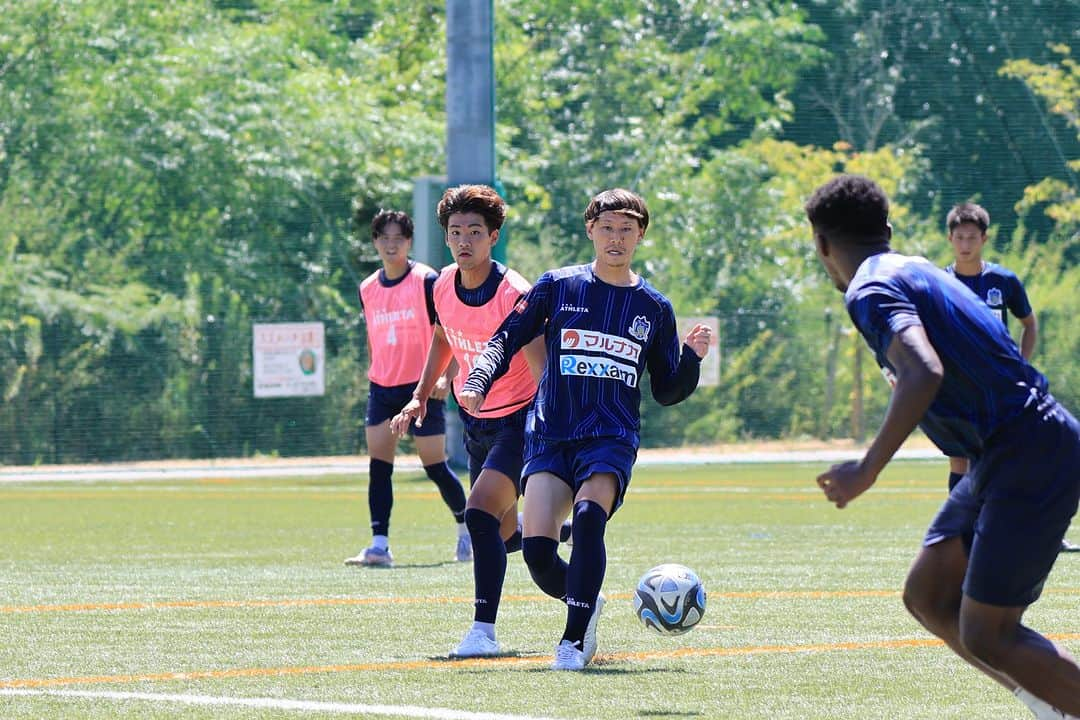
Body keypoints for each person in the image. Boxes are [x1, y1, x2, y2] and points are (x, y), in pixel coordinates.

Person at [807, 174, 1080, 718]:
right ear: (886, 229)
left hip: (1025, 448)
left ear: (820, 244)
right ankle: (1052, 702)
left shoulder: (869, 287)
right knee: (929, 594)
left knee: (988, 633)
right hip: (1008, 449)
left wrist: (866, 468)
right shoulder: (916, 268)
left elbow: (923, 371)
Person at [459, 188, 712, 671]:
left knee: (590, 516)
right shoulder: (558, 286)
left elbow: (667, 390)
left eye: (627, 229)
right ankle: (586, 601)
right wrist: (478, 378)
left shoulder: (654, 307)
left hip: (610, 438)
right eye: (607, 228)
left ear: (640, 235)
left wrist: (692, 359)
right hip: (552, 434)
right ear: (590, 230)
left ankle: (573, 643)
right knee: (536, 553)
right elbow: (507, 337)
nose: (616, 238)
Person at [389, 184, 548, 659]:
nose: (464, 241)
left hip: (519, 420)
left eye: (474, 232)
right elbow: (443, 339)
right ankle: (568, 565)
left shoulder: (513, 292)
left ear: (493, 236)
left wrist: (551, 430)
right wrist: (420, 396)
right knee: (497, 534)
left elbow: (542, 370)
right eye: (455, 232)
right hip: (474, 420)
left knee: (477, 514)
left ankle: (483, 633)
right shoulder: (440, 284)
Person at [942, 202, 1078, 553]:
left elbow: (1028, 324)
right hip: (960, 387)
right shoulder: (940, 282)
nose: (965, 244)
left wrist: (1019, 364)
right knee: (962, 459)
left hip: (1001, 386)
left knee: (1027, 452)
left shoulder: (1002, 281)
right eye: (959, 237)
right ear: (950, 239)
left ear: (984, 238)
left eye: (972, 237)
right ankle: (966, 532)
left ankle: (1046, 529)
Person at [344, 209, 470, 569]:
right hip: (382, 388)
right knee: (379, 466)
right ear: (375, 242)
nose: (390, 244)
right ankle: (379, 545)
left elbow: (451, 330)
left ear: (409, 242)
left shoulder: (427, 281)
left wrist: (447, 377)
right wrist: (372, 372)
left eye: (398, 238)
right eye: (384, 238)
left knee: (435, 466)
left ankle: (465, 530)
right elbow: (373, 338)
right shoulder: (368, 287)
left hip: (422, 389)